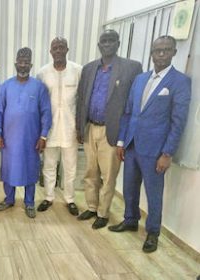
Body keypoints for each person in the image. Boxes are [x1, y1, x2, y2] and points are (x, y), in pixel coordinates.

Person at [108, 36, 191, 253]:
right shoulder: (140, 79)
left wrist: (167, 152)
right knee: (129, 187)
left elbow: (178, 121)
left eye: (166, 50)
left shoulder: (180, 82)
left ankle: (153, 232)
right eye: (157, 50)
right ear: (151, 53)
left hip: (156, 150)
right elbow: (128, 112)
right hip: (132, 145)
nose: (161, 54)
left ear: (174, 52)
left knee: (154, 194)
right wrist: (121, 141)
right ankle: (130, 219)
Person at [76, 29, 142, 229]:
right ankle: (92, 207)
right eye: (103, 41)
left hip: (112, 131)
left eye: (111, 40)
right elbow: (81, 100)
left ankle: (103, 213)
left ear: (118, 43)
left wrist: (126, 136)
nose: (107, 44)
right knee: (90, 173)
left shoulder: (131, 68)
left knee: (108, 175)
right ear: (99, 45)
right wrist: (80, 127)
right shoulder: (88, 69)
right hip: (90, 128)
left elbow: (133, 103)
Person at [0, 47, 52, 218]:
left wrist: (43, 135)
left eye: (27, 62)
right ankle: (9, 199)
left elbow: (46, 112)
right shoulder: (5, 86)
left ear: (31, 65)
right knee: (8, 169)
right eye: (21, 61)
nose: (23, 65)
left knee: (30, 169)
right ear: (15, 63)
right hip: (9, 139)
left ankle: (29, 202)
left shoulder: (39, 87)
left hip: (30, 138)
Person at [36, 37, 82, 216]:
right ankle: (48, 197)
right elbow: (39, 103)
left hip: (71, 128)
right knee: (49, 165)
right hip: (49, 128)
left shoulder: (77, 70)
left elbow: (82, 100)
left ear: (67, 49)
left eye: (61, 47)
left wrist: (80, 128)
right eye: (55, 48)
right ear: (50, 51)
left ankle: (70, 199)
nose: (58, 51)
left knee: (70, 167)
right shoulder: (42, 73)